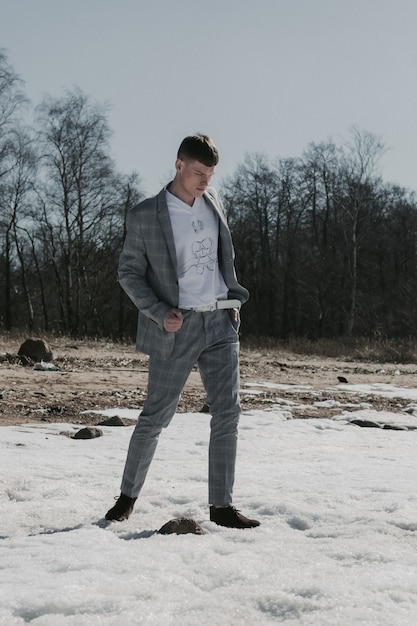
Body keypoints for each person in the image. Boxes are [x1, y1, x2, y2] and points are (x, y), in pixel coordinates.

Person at [105, 133, 260, 529]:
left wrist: (233, 301)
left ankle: (221, 507)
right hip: (177, 326)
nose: (205, 181)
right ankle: (126, 498)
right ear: (178, 166)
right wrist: (158, 311)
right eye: (198, 173)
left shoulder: (213, 204)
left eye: (210, 174)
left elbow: (225, 257)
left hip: (221, 322)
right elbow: (127, 272)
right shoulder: (145, 215)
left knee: (228, 411)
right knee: (156, 416)